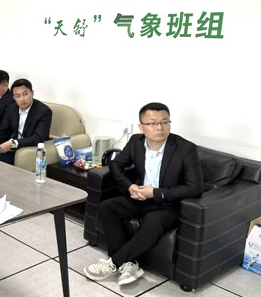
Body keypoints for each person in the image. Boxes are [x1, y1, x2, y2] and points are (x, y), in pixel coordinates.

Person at [84, 102, 203, 286]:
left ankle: (114, 263)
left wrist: (155, 193)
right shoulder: (136, 142)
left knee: (152, 221)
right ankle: (130, 265)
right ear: (141, 127)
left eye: (165, 122)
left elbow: (195, 187)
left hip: (167, 204)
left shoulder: (185, 149)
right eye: (153, 123)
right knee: (107, 207)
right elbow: (116, 165)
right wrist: (130, 187)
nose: (160, 127)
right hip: (139, 198)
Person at [0, 78, 52, 165]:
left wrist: (13, 143)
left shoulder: (43, 111)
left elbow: (38, 137)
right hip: (11, 144)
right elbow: (2, 132)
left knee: (3, 158)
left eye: (25, 94)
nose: (22, 99)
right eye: (18, 96)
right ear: (14, 97)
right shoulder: (11, 109)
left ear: (32, 93)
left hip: (27, 146)